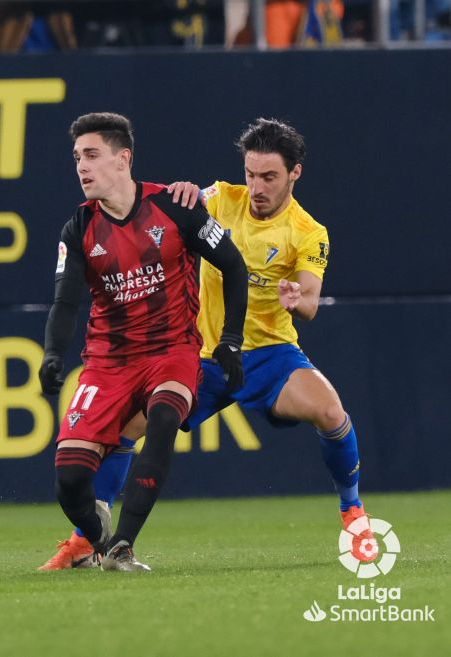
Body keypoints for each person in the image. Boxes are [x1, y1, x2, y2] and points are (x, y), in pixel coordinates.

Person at [40, 117, 376, 572]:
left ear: (294, 174)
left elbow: (312, 300)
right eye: (251, 174)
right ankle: (85, 540)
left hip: (270, 353)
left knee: (331, 412)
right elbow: (167, 206)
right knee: (122, 432)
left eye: (269, 177)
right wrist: (182, 189)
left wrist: (298, 299)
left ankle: (352, 510)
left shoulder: (308, 231)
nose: (256, 186)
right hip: (201, 354)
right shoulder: (221, 198)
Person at [38, 112, 248, 572]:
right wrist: (53, 353)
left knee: (163, 420)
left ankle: (123, 547)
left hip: (171, 351)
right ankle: (97, 539)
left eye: (92, 155)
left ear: (123, 159)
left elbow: (233, 266)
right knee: (69, 479)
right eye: (77, 157)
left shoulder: (176, 206)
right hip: (107, 362)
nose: (82, 167)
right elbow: (66, 303)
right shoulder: (78, 228)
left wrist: (230, 340)